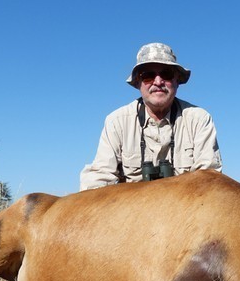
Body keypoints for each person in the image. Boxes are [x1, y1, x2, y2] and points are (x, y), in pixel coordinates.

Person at [80, 42, 222, 190]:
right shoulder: (116, 122)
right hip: (133, 209)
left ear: (177, 81)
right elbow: (99, 177)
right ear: (137, 83)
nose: (158, 82)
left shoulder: (199, 119)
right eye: (148, 76)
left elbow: (209, 181)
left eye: (167, 74)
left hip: (186, 208)